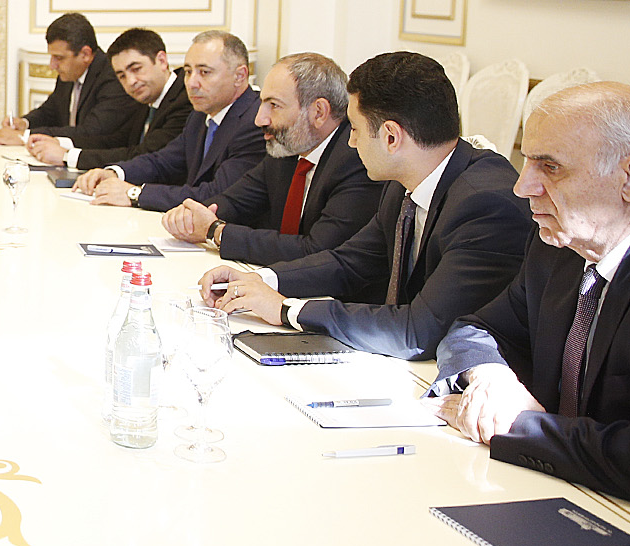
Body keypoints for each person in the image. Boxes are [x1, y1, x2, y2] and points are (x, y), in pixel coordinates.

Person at [426, 83, 630, 510]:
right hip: (548, 490)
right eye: (527, 161)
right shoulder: (559, 245)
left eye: (550, 167)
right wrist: (491, 377)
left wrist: (515, 424)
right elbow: (476, 328)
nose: (522, 186)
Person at [200, 51, 532, 359]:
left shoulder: (486, 204)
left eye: (356, 129)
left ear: (391, 137)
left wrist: (286, 310)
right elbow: (350, 262)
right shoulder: (404, 181)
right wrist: (261, 281)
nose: (351, 141)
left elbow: (417, 331)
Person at [163, 52, 383, 264]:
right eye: (262, 104)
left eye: (274, 105)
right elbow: (235, 202)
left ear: (319, 112)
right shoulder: (286, 149)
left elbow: (317, 251)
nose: (260, 119)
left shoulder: (357, 159)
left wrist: (217, 231)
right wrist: (191, 216)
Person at [74, 30, 266, 211]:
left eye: (204, 72)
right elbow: (163, 161)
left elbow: (217, 195)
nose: (191, 83)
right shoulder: (200, 115)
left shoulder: (255, 122)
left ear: (240, 76)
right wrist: (115, 172)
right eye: (188, 72)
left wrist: (135, 194)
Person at [27, 27, 192, 170]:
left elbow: (145, 155)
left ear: (162, 61)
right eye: (122, 76)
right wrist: (61, 143)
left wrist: (68, 157)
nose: (131, 81)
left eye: (136, 69)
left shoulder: (185, 99)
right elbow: (118, 140)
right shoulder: (145, 96)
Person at [0, 12, 134, 148]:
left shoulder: (113, 78)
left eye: (59, 58)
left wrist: (25, 136)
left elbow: (90, 132)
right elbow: (50, 111)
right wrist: (24, 123)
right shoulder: (70, 74)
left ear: (85, 54)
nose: (52, 65)